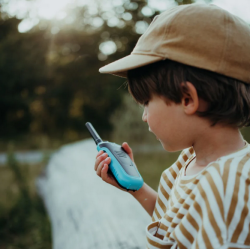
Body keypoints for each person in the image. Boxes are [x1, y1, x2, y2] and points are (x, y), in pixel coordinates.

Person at [94, 3, 250, 249]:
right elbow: (175, 224)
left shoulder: (228, 188)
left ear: (187, 98)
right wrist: (135, 188)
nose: (144, 116)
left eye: (146, 102)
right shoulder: (189, 159)